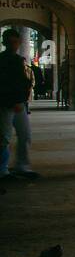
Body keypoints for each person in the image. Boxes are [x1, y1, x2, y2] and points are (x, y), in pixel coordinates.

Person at [0, 28, 39, 179]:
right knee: (4, 137)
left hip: (19, 104)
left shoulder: (18, 60)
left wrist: (21, 99)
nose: (14, 45)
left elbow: (21, 82)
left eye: (15, 42)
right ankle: (2, 170)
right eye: (11, 42)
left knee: (25, 134)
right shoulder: (4, 61)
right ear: (5, 43)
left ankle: (22, 165)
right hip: (6, 104)